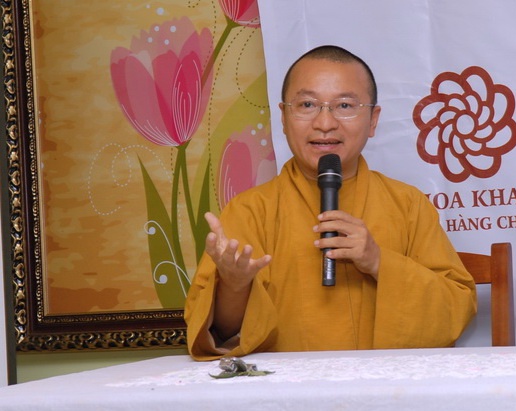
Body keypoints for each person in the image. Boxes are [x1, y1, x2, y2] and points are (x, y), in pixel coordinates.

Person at [184, 45, 477, 360]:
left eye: (345, 105)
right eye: (307, 104)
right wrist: (234, 286)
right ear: (283, 117)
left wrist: (379, 262)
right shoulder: (251, 210)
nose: (325, 123)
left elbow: (456, 308)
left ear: (373, 120)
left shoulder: (408, 204)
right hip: (290, 386)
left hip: (384, 383)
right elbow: (219, 333)